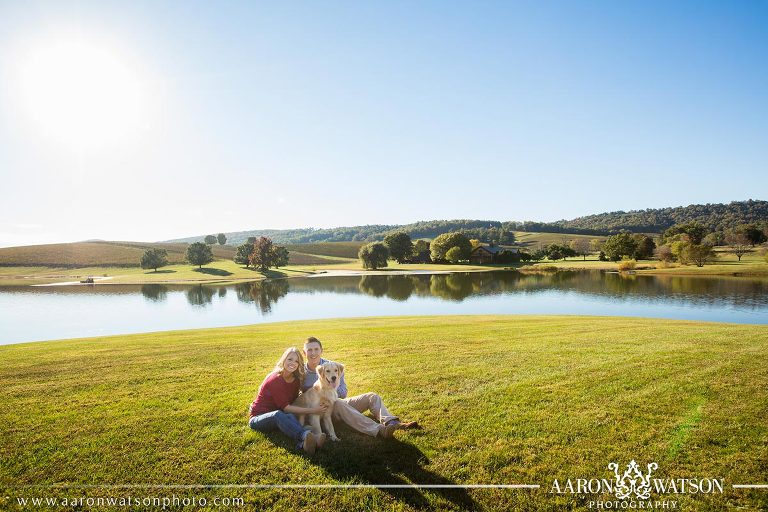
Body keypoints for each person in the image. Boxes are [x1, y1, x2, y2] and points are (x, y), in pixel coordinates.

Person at [302, 337, 418, 439]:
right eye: (309, 350)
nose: (313, 353)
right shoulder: (301, 373)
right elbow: (299, 397)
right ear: (304, 353)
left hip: (336, 400)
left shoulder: (334, 367)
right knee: (338, 403)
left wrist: (330, 389)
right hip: (322, 411)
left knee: (371, 397)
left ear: (321, 350)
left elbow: (343, 392)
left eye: (316, 349)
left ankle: (392, 422)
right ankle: (379, 430)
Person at [248, 347, 328, 455]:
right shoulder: (275, 379)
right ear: (284, 360)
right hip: (259, 417)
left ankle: (315, 440)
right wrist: (313, 410)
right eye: (290, 359)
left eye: (296, 361)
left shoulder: (295, 380)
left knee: (289, 416)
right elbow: (286, 407)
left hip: (281, 414)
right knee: (279, 414)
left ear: (299, 364)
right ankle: (304, 439)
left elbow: (294, 400)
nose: (293, 363)